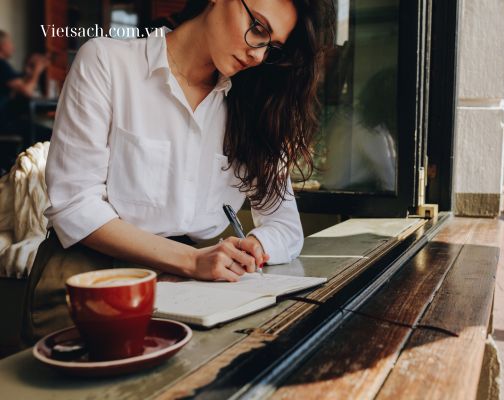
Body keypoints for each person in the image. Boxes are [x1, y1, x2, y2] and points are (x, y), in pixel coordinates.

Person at [21, 0, 335, 341]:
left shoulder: (256, 105)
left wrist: (252, 247)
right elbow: (74, 204)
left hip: (192, 292)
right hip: (90, 282)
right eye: (257, 28)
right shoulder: (107, 63)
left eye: (272, 47)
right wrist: (191, 261)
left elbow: (284, 226)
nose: (258, 55)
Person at [0, 30, 48, 127]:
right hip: (4, 122)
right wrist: (37, 70)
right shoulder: (2, 65)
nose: (13, 47)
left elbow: (20, 82)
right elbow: (28, 91)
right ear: (2, 45)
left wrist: (30, 70)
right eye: (10, 43)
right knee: (44, 131)